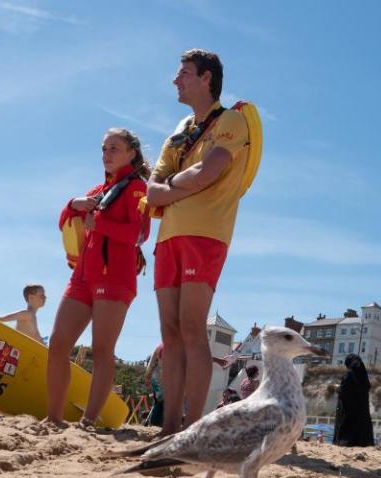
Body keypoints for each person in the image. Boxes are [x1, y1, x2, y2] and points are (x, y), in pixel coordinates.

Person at [146, 49, 252, 435]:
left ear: (206, 78)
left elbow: (209, 172)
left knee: (193, 329)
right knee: (170, 334)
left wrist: (171, 186)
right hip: (167, 238)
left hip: (205, 234)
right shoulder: (179, 129)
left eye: (184, 73)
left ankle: (194, 430)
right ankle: (168, 428)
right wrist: (179, 183)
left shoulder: (231, 120)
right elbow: (151, 192)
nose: (176, 80)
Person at [46, 128, 151, 428]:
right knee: (58, 344)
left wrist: (100, 224)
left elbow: (139, 234)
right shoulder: (97, 190)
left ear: (131, 153)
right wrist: (72, 204)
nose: (106, 155)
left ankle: (88, 421)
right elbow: (64, 222)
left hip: (116, 278)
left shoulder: (137, 189)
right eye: (104, 149)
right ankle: (52, 419)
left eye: (114, 149)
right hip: (82, 277)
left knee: (103, 350)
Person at [333, 354, 375, 447]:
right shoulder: (364, 376)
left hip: (348, 414)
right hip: (362, 414)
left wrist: (338, 388)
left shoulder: (349, 375)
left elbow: (344, 391)